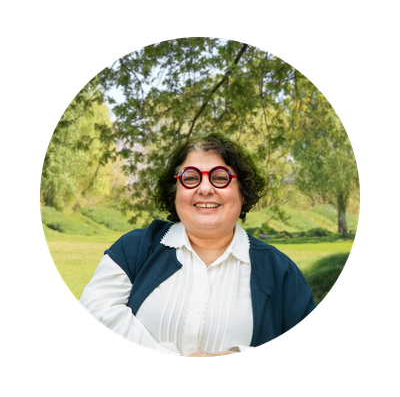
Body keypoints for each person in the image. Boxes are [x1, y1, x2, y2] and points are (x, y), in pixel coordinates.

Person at [79, 133, 316, 357]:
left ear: (243, 192)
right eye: (190, 178)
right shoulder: (134, 249)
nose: (204, 189)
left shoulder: (280, 273)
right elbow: (96, 311)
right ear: (174, 192)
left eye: (220, 178)